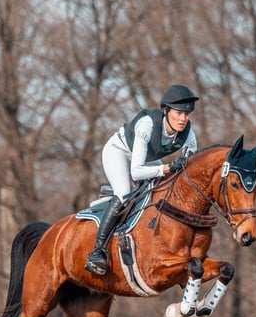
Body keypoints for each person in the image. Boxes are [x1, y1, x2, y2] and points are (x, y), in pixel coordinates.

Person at [84, 84, 200, 275]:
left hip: (147, 158)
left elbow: (188, 166)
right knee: (123, 194)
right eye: (178, 113)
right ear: (166, 110)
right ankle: (97, 251)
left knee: (162, 189)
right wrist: (167, 167)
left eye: (187, 114)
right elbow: (137, 172)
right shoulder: (148, 124)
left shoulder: (188, 135)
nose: (183, 119)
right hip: (119, 152)